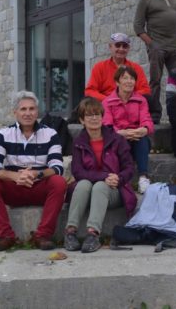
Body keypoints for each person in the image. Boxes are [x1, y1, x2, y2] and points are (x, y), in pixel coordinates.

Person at [0, 91, 66, 251]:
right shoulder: (4, 134)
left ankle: (42, 235)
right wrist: (14, 176)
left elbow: (58, 167)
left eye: (32, 109)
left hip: (39, 186)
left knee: (59, 182)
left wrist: (37, 174)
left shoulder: (50, 134)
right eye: (23, 109)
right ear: (15, 113)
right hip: (14, 187)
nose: (28, 113)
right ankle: (6, 236)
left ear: (37, 112)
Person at [64, 98, 137, 253]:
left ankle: (93, 235)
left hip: (114, 190)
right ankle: (70, 232)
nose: (94, 118)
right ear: (82, 120)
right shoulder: (78, 142)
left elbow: (129, 167)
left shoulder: (117, 139)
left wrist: (119, 178)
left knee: (100, 186)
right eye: (89, 115)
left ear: (102, 117)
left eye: (97, 114)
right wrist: (103, 176)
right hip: (88, 190)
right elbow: (77, 172)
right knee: (83, 184)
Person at [133, 0, 176, 124]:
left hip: (175, 46)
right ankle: (154, 114)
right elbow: (138, 27)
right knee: (155, 80)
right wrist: (152, 44)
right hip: (157, 46)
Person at [102, 66, 155, 193]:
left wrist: (144, 129)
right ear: (117, 82)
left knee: (142, 139)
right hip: (117, 138)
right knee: (119, 141)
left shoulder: (141, 100)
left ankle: (143, 177)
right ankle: (123, 179)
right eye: (124, 78)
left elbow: (147, 120)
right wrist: (121, 133)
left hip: (137, 138)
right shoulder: (107, 102)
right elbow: (106, 125)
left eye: (132, 78)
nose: (129, 81)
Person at [85, 33, 150, 102]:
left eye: (124, 46)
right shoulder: (99, 67)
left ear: (128, 49)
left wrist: (128, 98)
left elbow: (145, 90)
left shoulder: (136, 68)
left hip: (130, 104)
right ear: (110, 47)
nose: (121, 49)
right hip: (105, 105)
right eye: (117, 45)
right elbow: (90, 91)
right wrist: (108, 100)